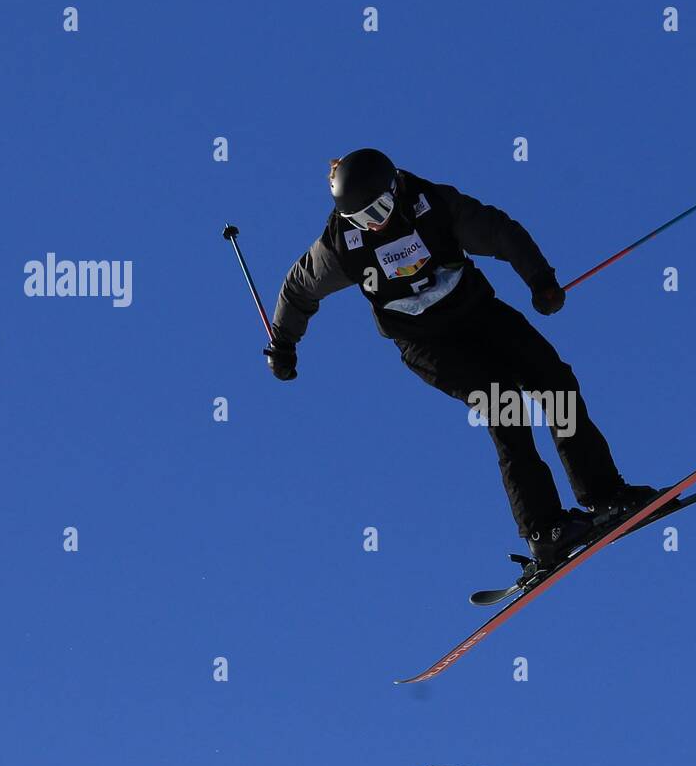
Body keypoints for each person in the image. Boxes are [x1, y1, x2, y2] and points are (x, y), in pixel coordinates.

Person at [264, 148, 657, 566]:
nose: (374, 222)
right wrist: (284, 344)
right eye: (361, 217)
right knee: (504, 404)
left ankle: (604, 495)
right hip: (426, 344)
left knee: (553, 380)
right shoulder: (342, 245)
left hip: (476, 313)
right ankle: (545, 529)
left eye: (379, 208)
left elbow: (498, 231)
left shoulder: (430, 204)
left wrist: (540, 279)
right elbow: (298, 288)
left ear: (394, 188)